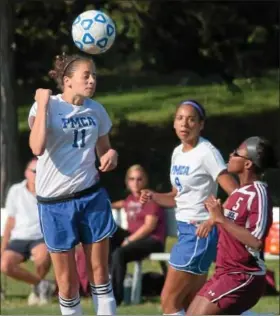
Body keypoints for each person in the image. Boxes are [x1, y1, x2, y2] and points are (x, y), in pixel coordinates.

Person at [28, 53, 118, 316]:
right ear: (67, 80)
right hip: (55, 204)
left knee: (100, 275)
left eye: (94, 76)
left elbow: (105, 150)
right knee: (67, 284)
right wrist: (43, 104)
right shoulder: (47, 105)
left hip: (91, 197)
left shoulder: (96, 110)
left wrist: (110, 156)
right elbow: (37, 147)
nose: (92, 80)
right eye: (86, 76)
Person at [140, 100, 239, 315]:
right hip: (186, 233)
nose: (185, 124)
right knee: (191, 306)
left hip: (198, 234)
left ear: (201, 124)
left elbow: (236, 194)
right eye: (180, 118)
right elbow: (177, 197)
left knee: (169, 302)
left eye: (191, 119)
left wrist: (213, 219)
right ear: (174, 123)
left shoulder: (207, 152)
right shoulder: (178, 153)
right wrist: (153, 196)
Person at [186, 136, 277, 315]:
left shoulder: (258, 194)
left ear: (248, 164)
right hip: (224, 273)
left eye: (236, 153)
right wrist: (212, 219)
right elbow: (224, 216)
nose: (230, 154)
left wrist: (221, 219)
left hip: (244, 276)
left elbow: (256, 241)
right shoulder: (239, 193)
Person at [110, 164, 166, 305]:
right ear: (127, 181)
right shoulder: (130, 199)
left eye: (139, 179)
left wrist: (129, 240)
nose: (135, 182)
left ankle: (115, 298)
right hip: (135, 239)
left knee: (119, 254)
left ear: (145, 181)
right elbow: (123, 203)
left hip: (152, 241)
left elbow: (149, 226)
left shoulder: (150, 198)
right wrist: (107, 206)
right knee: (107, 237)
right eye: (132, 179)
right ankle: (102, 287)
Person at [1, 157, 53, 306]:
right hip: (19, 238)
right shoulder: (15, 190)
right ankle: (41, 285)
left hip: (40, 236)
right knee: (5, 265)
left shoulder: (49, 191)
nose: (38, 174)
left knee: (42, 257)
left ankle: (38, 289)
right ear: (26, 173)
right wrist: (4, 246)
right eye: (35, 171)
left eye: (41, 171)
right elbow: (10, 221)